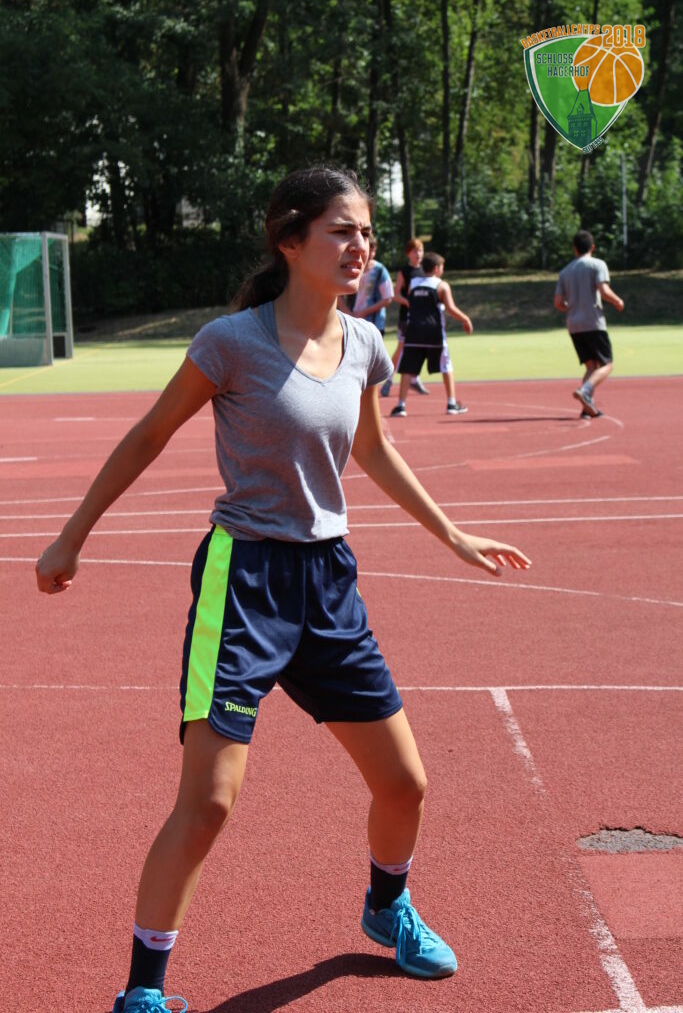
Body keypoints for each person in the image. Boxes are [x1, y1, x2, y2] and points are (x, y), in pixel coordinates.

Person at [35, 166, 531, 1013]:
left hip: (329, 584)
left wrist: (451, 534)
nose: (359, 246)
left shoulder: (365, 342)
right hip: (245, 582)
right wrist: (72, 533)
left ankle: (386, 908)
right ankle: (143, 992)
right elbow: (148, 435)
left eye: (366, 232)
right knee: (208, 802)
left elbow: (371, 451)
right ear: (290, 240)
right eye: (341, 230)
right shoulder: (231, 343)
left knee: (404, 784)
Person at [390, 252, 472, 418]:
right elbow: (450, 309)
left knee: (407, 369)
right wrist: (465, 319)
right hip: (434, 333)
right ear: (436, 268)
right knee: (446, 366)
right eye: (442, 267)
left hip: (413, 332)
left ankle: (401, 406)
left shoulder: (413, 284)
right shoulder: (441, 285)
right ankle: (451, 403)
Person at [554, 229, 624, 418]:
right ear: (592, 247)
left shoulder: (565, 271)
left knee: (591, 366)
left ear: (574, 249)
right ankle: (585, 391)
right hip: (592, 321)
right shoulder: (597, 265)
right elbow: (603, 290)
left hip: (574, 324)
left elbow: (558, 302)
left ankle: (587, 408)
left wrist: (571, 307)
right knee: (607, 364)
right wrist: (617, 301)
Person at [380, 237, 429, 397]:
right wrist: (409, 302)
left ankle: (414, 380)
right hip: (406, 318)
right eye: (415, 251)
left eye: (420, 250)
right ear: (408, 253)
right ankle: (388, 380)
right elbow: (396, 295)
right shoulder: (405, 271)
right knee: (401, 348)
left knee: (417, 350)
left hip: (421, 318)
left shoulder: (425, 271)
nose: (418, 253)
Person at [342, 233, 394, 335]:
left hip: (375, 324)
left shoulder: (380, 271)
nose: (371, 254)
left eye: (373, 251)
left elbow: (388, 298)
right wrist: (348, 313)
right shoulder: (351, 268)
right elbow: (339, 296)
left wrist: (365, 312)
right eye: (369, 250)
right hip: (352, 323)